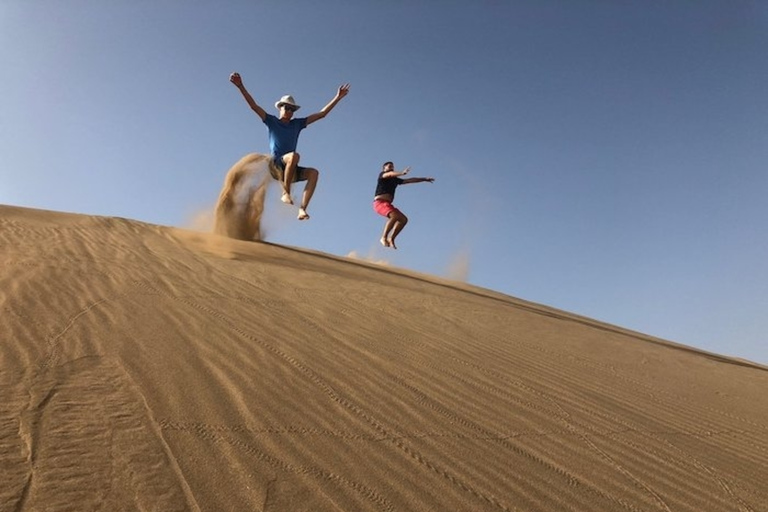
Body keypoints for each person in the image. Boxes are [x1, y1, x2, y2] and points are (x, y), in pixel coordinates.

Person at [229, 72, 350, 220]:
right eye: (286, 107)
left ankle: (302, 210)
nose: (289, 111)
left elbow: (321, 114)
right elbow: (254, 106)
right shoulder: (271, 121)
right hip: (276, 165)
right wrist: (240, 86)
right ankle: (286, 193)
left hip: (290, 168)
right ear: (280, 108)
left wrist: (338, 97)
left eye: (292, 109)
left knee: (314, 173)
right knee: (294, 155)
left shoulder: (297, 124)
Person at [373, 162, 435, 249]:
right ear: (384, 169)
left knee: (403, 220)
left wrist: (424, 179)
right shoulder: (382, 175)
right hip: (379, 203)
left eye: (393, 167)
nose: (392, 168)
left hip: (388, 204)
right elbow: (390, 174)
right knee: (394, 216)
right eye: (389, 166)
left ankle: (392, 238)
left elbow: (410, 180)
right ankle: (383, 237)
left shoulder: (395, 180)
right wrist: (402, 173)